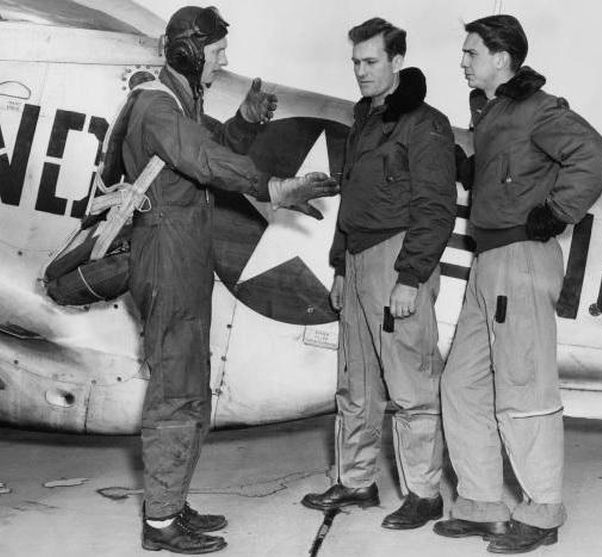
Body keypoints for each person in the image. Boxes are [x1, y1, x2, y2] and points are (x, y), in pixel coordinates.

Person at [116, 6, 338, 554]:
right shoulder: (155, 106)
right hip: (166, 255)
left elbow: (211, 150)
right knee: (174, 389)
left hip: (186, 254)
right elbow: (204, 160)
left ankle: (171, 501)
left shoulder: (181, 104)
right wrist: (275, 188)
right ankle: (160, 522)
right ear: (189, 53)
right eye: (216, 53)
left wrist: (245, 122)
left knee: (192, 386)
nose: (222, 61)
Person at [433, 14, 602, 553]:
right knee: (461, 384)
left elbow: (595, 157)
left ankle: (542, 512)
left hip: (521, 259)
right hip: (488, 261)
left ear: (501, 58)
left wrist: (557, 212)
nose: (463, 62)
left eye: (471, 53)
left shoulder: (537, 108)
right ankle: (481, 503)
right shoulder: (493, 114)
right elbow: (507, 175)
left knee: (523, 385)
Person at [301, 17, 457, 530]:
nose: (361, 71)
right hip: (358, 259)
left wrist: (410, 277)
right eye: (355, 62)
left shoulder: (425, 124)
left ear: (397, 61)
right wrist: (340, 265)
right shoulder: (366, 118)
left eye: (371, 62)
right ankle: (356, 481)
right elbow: (353, 199)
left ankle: (424, 493)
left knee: (412, 384)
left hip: (397, 259)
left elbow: (436, 209)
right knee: (357, 383)